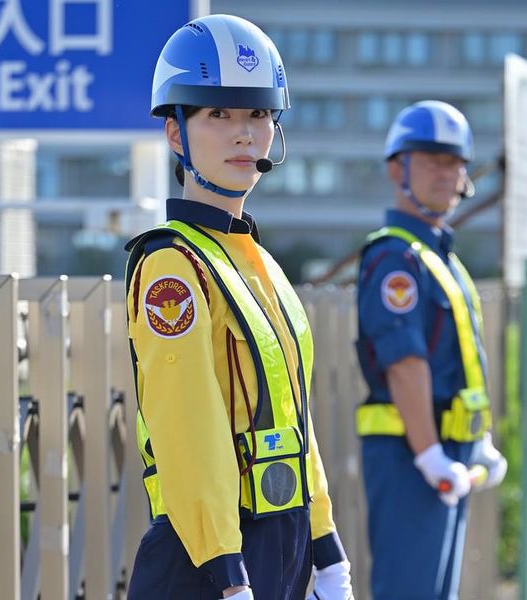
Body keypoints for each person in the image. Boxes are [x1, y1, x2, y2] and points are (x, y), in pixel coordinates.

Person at [124, 14, 353, 600]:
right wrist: (227, 573)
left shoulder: (258, 262)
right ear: (176, 133)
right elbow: (187, 427)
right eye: (217, 114)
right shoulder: (171, 266)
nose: (244, 135)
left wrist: (327, 550)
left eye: (257, 114)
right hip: (204, 561)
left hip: (280, 542)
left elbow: (293, 421)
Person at [354, 100, 508, 600]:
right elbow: (404, 363)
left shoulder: (441, 257)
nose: (448, 173)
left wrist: (477, 441)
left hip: (448, 451)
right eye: (432, 159)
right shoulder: (395, 257)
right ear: (398, 168)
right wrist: (428, 455)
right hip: (411, 455)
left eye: (455, 161)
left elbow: (459, 362)